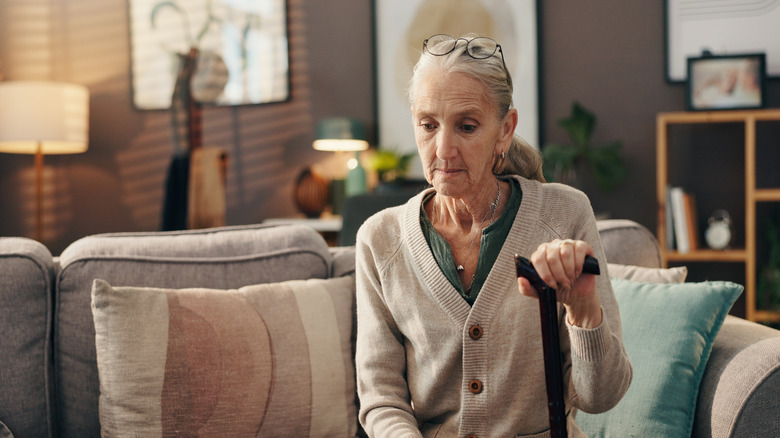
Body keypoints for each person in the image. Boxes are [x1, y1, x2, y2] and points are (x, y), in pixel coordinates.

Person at [355, 34, 632, 437]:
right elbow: (382, 399)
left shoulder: (564, 213)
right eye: (428, 125)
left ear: (505, 130)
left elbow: (601, 396)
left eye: (466, 127)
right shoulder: (379, 240)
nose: (443, 149)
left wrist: (584, 310)